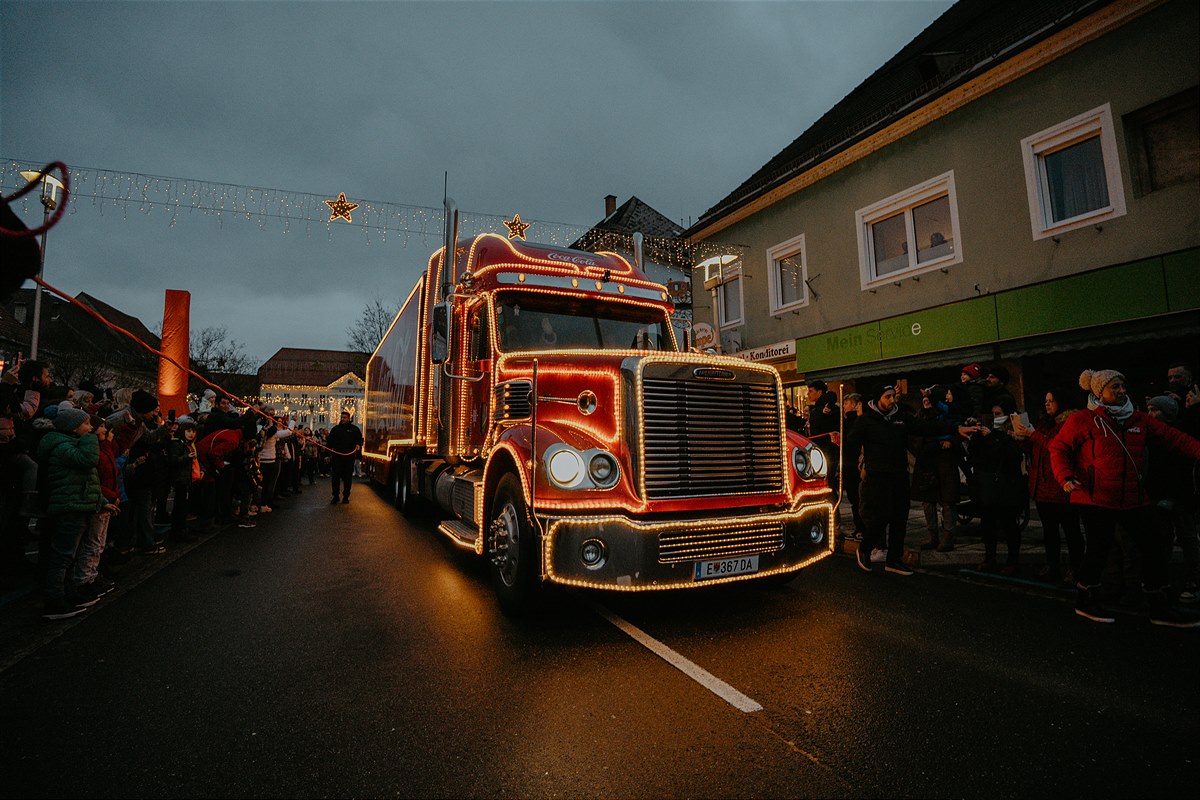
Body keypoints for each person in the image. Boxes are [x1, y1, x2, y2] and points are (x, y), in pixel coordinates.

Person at [1049, 369, 1200, 627]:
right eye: (1114, 387)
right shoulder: (1083, 420)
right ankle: (1086, 599)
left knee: (1153, 545)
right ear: (1099, 393)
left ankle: (1159, 605)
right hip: (1094, 496)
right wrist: (1065, 478)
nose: (1121, 391)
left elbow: (1173, 438)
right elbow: (1058, 447)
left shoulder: (1138, 419)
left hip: (1132, 497)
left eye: (1122, 386)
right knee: (1099, 547)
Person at [845, 384, 979, 576]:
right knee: (882, 514)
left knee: (901, 515)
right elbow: (851, 443)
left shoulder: (901, 417)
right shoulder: (866, 421)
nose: (892, 400)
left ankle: (893, 559)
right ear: (877, 400)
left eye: (892, 396)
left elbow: (927, 427)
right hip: (878, 474)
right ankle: (865, 549)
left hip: (899, 473)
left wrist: (956, 428)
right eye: (887, 397)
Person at [37, 407, 107, 619]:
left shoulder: (70, 444)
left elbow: (88, 479)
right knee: (63, 555)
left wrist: (100, 500)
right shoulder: (61, 446)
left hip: (80, 503)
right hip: (70, 506)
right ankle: (54, 600)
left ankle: (68, 593)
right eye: (86, 424)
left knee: (70, 554)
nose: (90, 428)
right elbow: (87, 461)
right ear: (74, 427)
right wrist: (89, 439)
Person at [1014, 386, 1083, 584]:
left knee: (1071, 532)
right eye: (1045, 400)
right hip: (1042, 486)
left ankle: (1076, 568)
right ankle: (1052, 566)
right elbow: (1036, 447)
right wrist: (1022, 439)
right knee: (1049, 532)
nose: (1047, 404)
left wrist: (1033, 435)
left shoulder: (1070, 422)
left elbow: (1056, 446)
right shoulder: (1044, 423)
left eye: (1051, 400)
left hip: (1062, 486)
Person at [1144, 394, 1199, 602]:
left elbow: (1183, 472)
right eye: (1149, 409)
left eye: (1155, 410)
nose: (1150, 414)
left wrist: (1174, 497)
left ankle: (1194, 579)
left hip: (1181, 497)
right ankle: (1162, 579)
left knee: (1187, 538)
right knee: (1162, 539)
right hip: (1158, 497)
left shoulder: (1178, 435)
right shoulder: (1150, 436)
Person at [967, 399, 1026, 575]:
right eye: (992, 414)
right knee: (988, 525)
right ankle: (989, 557)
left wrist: (992, 437)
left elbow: (1012, 455)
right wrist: (977, 433)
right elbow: (974, 452)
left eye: (998, 414)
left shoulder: (1014, 430)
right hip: (987, 484)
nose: (995, 417)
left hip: (1007, 484)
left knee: (1009, 525)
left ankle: (1012, 561)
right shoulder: (986, 430)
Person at [912, 385, 962, 552]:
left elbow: (958, 431)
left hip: (945, 460)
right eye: (923, 398)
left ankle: (948, 536)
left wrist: (951, 442)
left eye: (928, 398)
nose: (925, 400)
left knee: (947, 500)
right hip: (927, 461)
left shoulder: (947, 415)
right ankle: (933, 535)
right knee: (928, 501)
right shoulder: (919, 416)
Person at [841, 393, 866, 538]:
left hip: (853, 463)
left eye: (846, 403)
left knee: (857, 498)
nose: (844, 406)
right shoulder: (848, 421)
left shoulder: (854, 421)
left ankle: (862, 527)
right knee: (855, 498)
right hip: (850, 462)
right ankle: (860, 527)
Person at [326, 411, 363, 504]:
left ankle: (346, 496)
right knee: (335, 477)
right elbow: (329, 442)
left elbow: (360, 439)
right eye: (342, 417)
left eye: (344, 417)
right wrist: (327, 455)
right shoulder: (335, 429)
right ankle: (335, 495)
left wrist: (358, 445)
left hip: (349, 457)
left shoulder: (355, 429)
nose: (342, 419)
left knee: (347, 477)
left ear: (349, 419)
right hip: (337, 456)